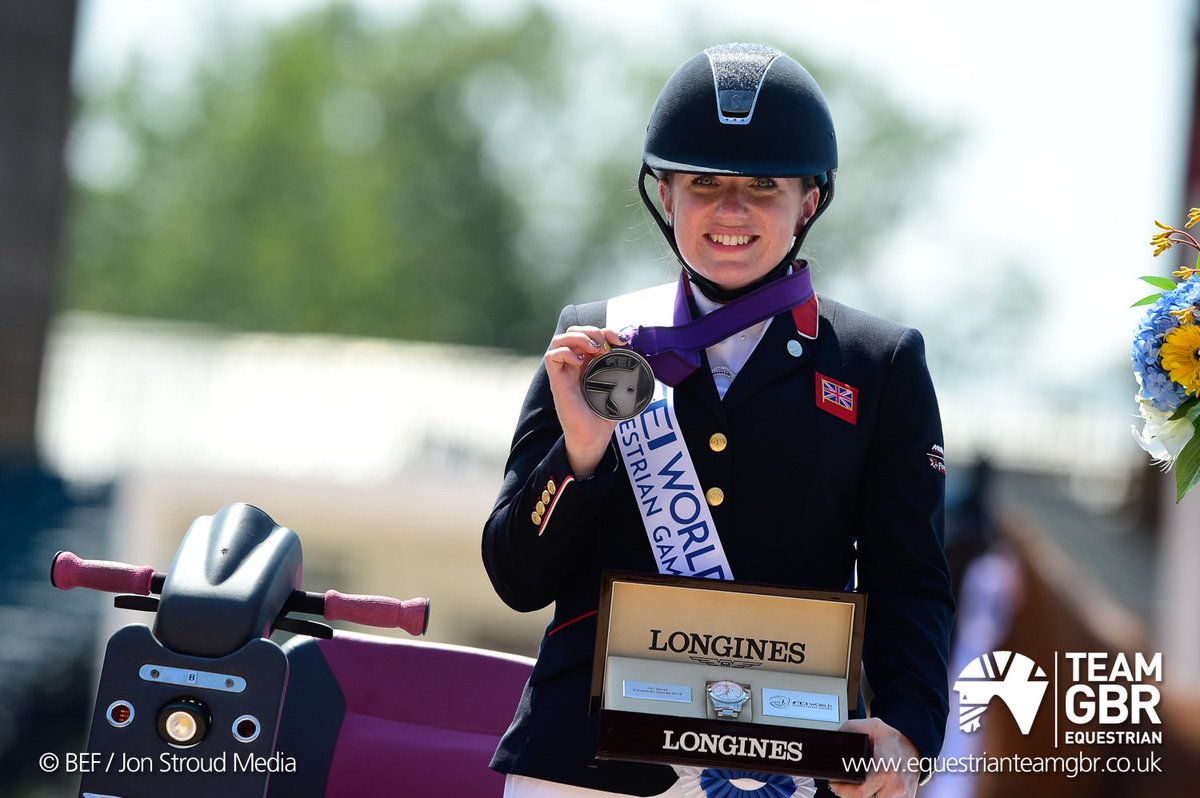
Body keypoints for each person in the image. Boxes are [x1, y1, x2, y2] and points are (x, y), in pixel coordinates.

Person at [483, 42, 954, 798]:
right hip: (584, 767)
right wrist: (579, 454)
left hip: (793, 766)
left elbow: (911, 584)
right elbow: (514, 577)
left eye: (763, 186)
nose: (732, 210)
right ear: (665, 195)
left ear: (810, 200)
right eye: (704, 182)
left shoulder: (878, 363)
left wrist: (909, 731)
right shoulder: (597, 339)